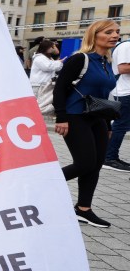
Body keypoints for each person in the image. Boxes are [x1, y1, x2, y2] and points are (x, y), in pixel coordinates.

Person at [52, 19, 121, 228]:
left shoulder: (106, 63)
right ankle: (40, 187)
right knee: (84, 163)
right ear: (95, 35)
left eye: (117, 32)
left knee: (96, 165)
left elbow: (103, 95)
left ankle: (83, 209)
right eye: (108, 32)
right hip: (75, 116)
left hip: (97, 118)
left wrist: (107, 125)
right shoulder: (80, 59)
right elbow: (60, 88)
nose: (115, 35)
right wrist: (61, 117)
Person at [102, 36, 130, 172]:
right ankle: (109, 157)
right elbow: (123, 68)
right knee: (120, 125)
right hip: (126, 92)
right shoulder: (126, 46)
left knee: (121, 125)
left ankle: (110, 156)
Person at [29, 39, 62, 116]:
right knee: (40, 102)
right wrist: (59, 63)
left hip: (45, 83)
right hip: (39, 84)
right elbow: (48, 67)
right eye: (52, 47)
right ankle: (34, 115)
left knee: (42, 102)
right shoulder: (40, 58)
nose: (53, 48)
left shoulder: (47, 58)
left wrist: (57, 63)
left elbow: (56, 67)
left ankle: (36, 115)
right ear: (46, 48)